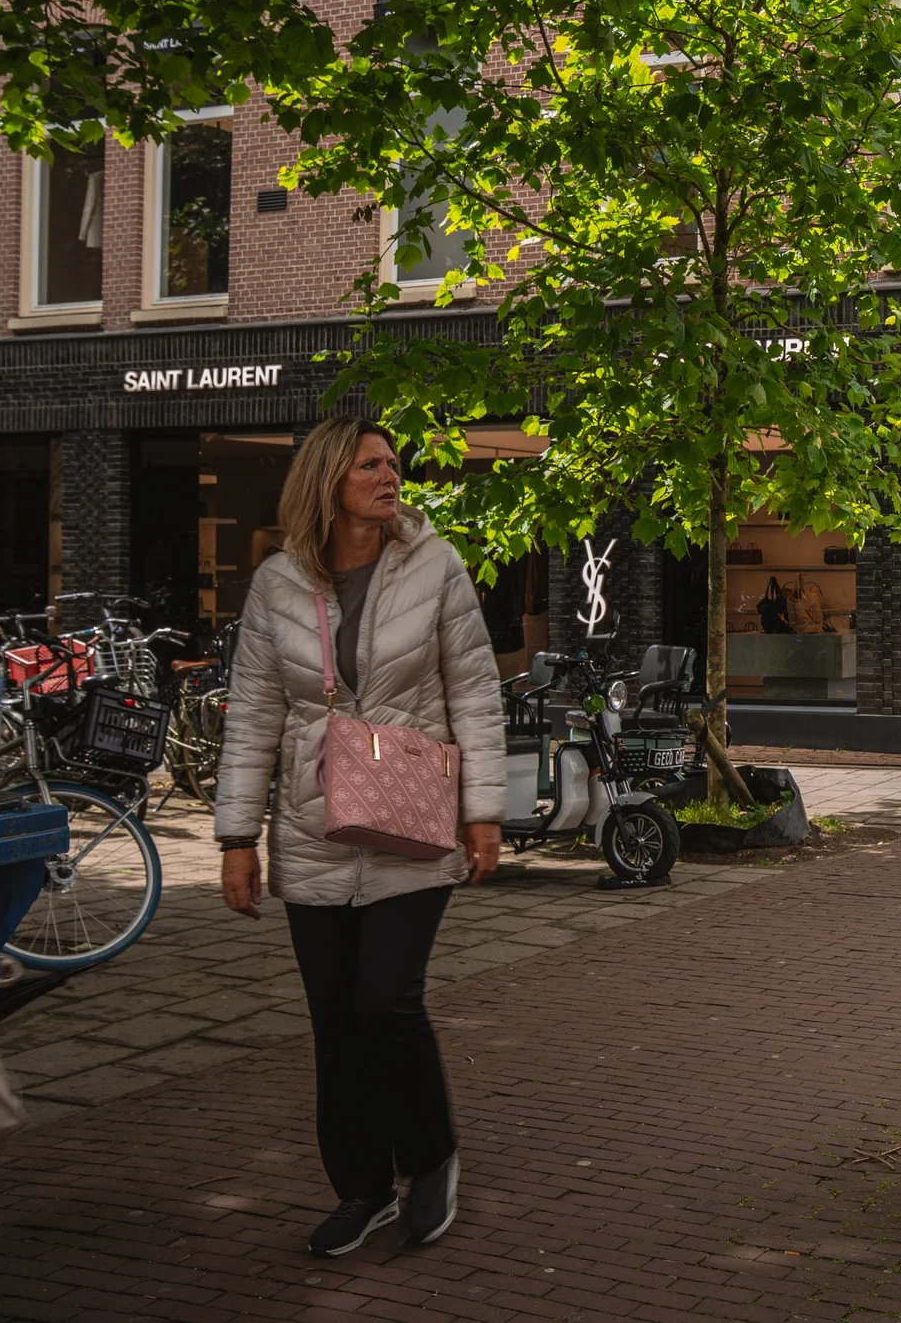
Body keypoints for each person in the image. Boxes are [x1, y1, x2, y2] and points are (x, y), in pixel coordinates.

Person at [214, 417, 507, 1257]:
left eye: (394, 461)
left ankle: (431, 1156)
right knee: (335, 1023)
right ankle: (362, 1187)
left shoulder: (436, 566)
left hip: (413, 821)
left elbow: (477, 693)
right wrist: (238, 835)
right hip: (312, 828)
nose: (392, 474)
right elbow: (255, 717)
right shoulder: (276, 584)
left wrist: (483, 811)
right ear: (328, 480)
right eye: (371, 463)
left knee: (387, 1001)